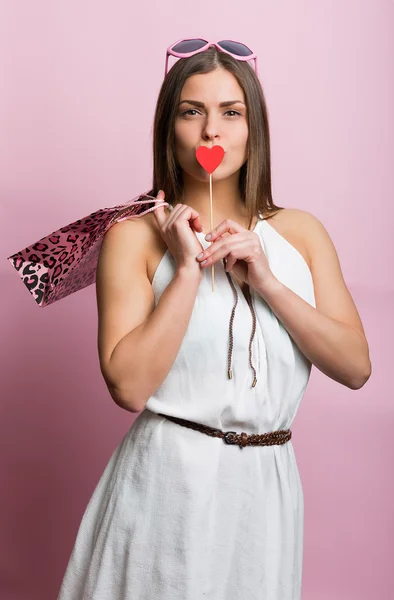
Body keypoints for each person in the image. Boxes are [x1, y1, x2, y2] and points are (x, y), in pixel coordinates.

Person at [56, 39, 371, 600]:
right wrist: (184, 272)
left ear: (255, 128)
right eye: (191, 110)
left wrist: (268, 281)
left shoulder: (302, 233)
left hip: (267, 491)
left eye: (231, 112)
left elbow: (355, 367)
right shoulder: (133, 238)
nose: (211, 132)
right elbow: (127, 387)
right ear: (168, 127)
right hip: (167, 488)